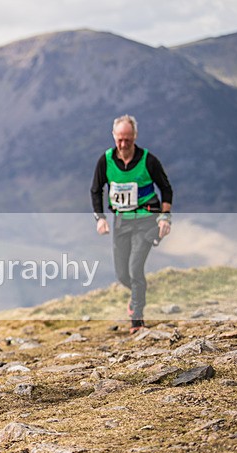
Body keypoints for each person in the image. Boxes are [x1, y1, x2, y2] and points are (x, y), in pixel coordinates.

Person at [91, 114, 173, 333]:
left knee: (135, 269)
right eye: (120, 139)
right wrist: (100, 218)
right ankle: (138, 293)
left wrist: (165, 217)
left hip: (147, 220)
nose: (124, 143)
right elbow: (96, 190)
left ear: (135, 136)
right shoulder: (105, 160)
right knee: (122, 275)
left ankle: (137, 319)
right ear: (113, 136)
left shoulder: (148, 160)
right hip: (121, 222)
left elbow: (166, 189)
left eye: (128, 138)